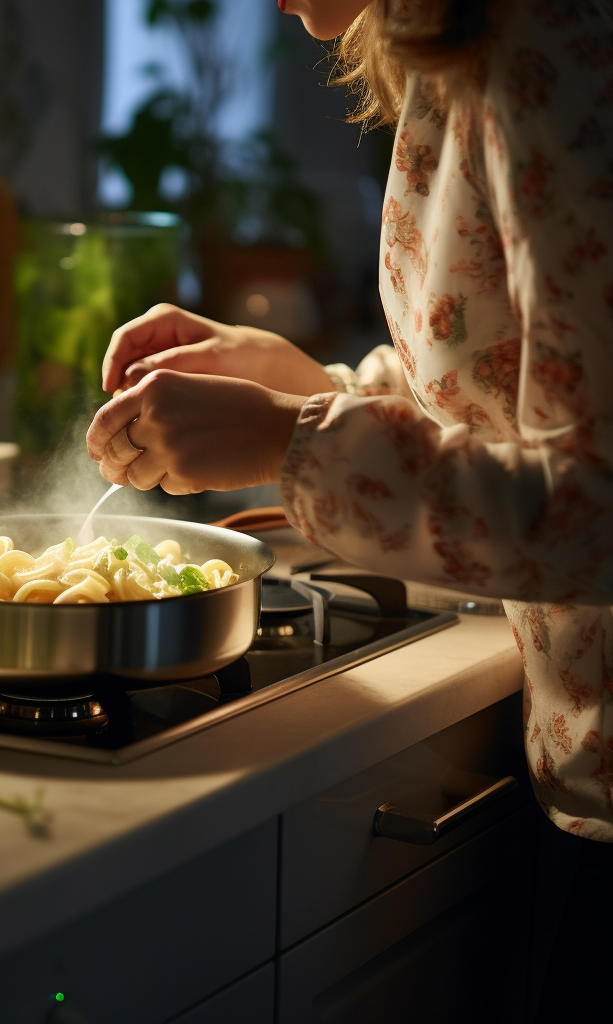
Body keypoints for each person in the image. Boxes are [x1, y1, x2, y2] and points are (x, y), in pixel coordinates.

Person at [87, 0, 613, 853]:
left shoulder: (555, 50)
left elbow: (597, 503)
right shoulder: (463, 42)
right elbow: (510, 389)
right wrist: (290, 381)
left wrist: (290, 440)